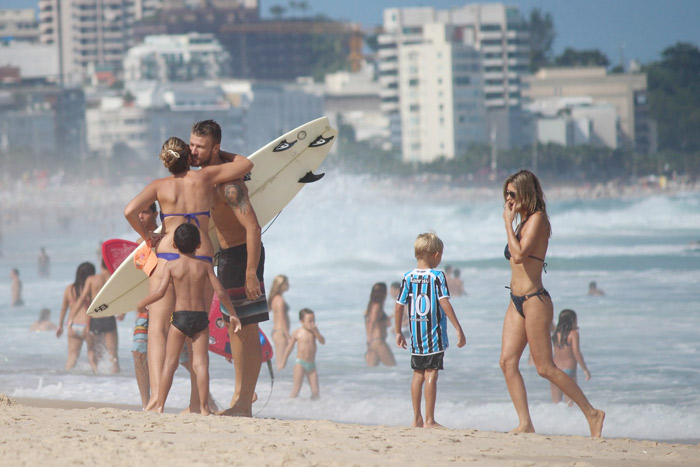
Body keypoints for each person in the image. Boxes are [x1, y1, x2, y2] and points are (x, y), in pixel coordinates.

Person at [124, 135, 252, 411]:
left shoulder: (159, 186)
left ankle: (157, 398)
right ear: (188, 157)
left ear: (166, 162)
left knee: (157, 329)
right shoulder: (205, 177)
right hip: (201, 251)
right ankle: (197, 402)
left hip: (168, 252)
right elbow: (245, 164)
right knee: (198, 329)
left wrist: (147, 236)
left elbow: (130, 210)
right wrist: (220, 152)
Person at [500, 169, 604, 437]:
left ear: (525, 193)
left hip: (535, 301)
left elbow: (520, 254)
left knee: (545, 367)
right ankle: (525, 423)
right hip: (516, 300)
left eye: (512, 194)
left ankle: (592, 414)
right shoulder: (522, 223)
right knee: (507, 362)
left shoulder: (537, 220)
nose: (508, 200)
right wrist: (512, 223)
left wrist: (506, 223)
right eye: (506, 195)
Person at [189, 120, 267, 417]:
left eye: (200, 147)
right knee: (239, 330)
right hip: (227, 257)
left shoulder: (229, 185)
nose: (194, 151)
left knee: (244, 330)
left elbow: (254, 227)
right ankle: (242, 396)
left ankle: (243, 402)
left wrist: (250, 272)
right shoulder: (207, 176)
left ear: (216, 148)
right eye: (192, 144)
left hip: (241, 256)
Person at [137, 223, 242, 414]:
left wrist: (141, 303)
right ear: (200, 243)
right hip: (200, 319)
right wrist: (233, 314)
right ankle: (203, 407)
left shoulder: (171, 266)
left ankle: (159, 405)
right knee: (201, 363)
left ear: (174, 245)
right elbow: (220, 291)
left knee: (170, 363)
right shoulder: (204, 266)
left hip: (179, 319)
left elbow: (160, 293)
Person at [394, 232, 466, 428]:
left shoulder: (408, 277)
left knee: (417, 374)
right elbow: (444, 303)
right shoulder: (437, 276)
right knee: (431, 374)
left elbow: (399, 305)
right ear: (435, 255)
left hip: (416, 337)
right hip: (434, 336)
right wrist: (458, 328)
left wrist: (398, 331)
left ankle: (416, 418)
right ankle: (429, 420)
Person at [132, 202, 159, 409]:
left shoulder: (167, 238)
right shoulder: (139, 245)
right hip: (144, 309)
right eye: (138, 212)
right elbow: (131, 280)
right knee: (139, 352)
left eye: (145, 212)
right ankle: (146, 404)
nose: (140, 216)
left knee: (184, 356)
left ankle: (205, 400)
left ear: (155, 213)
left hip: (167, 306)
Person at [77, 259, 119, 374]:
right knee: (113, 354)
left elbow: (82, 298)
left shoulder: (92, 279)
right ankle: (116, 379)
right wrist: (122, 313)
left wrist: (71, 317)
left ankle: (98, 377)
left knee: (95, 352)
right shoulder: (114, 278)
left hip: (95, 318)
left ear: (101, 265)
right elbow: (121, 296)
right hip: (109, 317)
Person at [277, 308, 325, 400]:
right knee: (296, 389)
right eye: (309, 321)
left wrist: (316, 332)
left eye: (313, 320)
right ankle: (289, 406)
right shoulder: (297, 332)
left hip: (312, 365)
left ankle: (313, 409)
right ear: (301, 321)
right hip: (300, 363)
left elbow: (322, 341)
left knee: (315, 392)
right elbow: (289, 348)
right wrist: (283, 362)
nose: (312, 323)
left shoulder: (314, 332)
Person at [56, 262, 96, 370]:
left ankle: (64, 383)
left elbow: (64, 308)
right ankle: (100, 381)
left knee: (71, 359)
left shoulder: (69, 289)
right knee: (92, 357)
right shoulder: (91, 289)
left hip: (73, 326)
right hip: (87, 326)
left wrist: (60, 325)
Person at [551, 309, 591, 405]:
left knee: (556, 404)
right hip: (568, 370)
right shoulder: (573, 334)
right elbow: (576, 352)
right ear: (572, 320)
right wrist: (585, 369)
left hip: (554, 369)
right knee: (569, 404)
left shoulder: (555, 334)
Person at [364, 282, 396, 367]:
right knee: (393, 367)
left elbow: (373, 321)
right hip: (378, 342)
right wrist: (369, 340)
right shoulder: (377, 306)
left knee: (372, 371)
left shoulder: (371, 306)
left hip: (373, 342)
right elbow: (372, 322)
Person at [268, 274, 291, 369]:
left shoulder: (275, 299)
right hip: (281, 332)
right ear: (280, 285)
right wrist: (288, 336)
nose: (288, 285)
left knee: (280, 360)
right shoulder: (280, 300)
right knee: (281, 362)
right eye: (286, 283)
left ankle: (279, 381)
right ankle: (279, 381)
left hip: (277, 332)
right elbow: (282, 319)